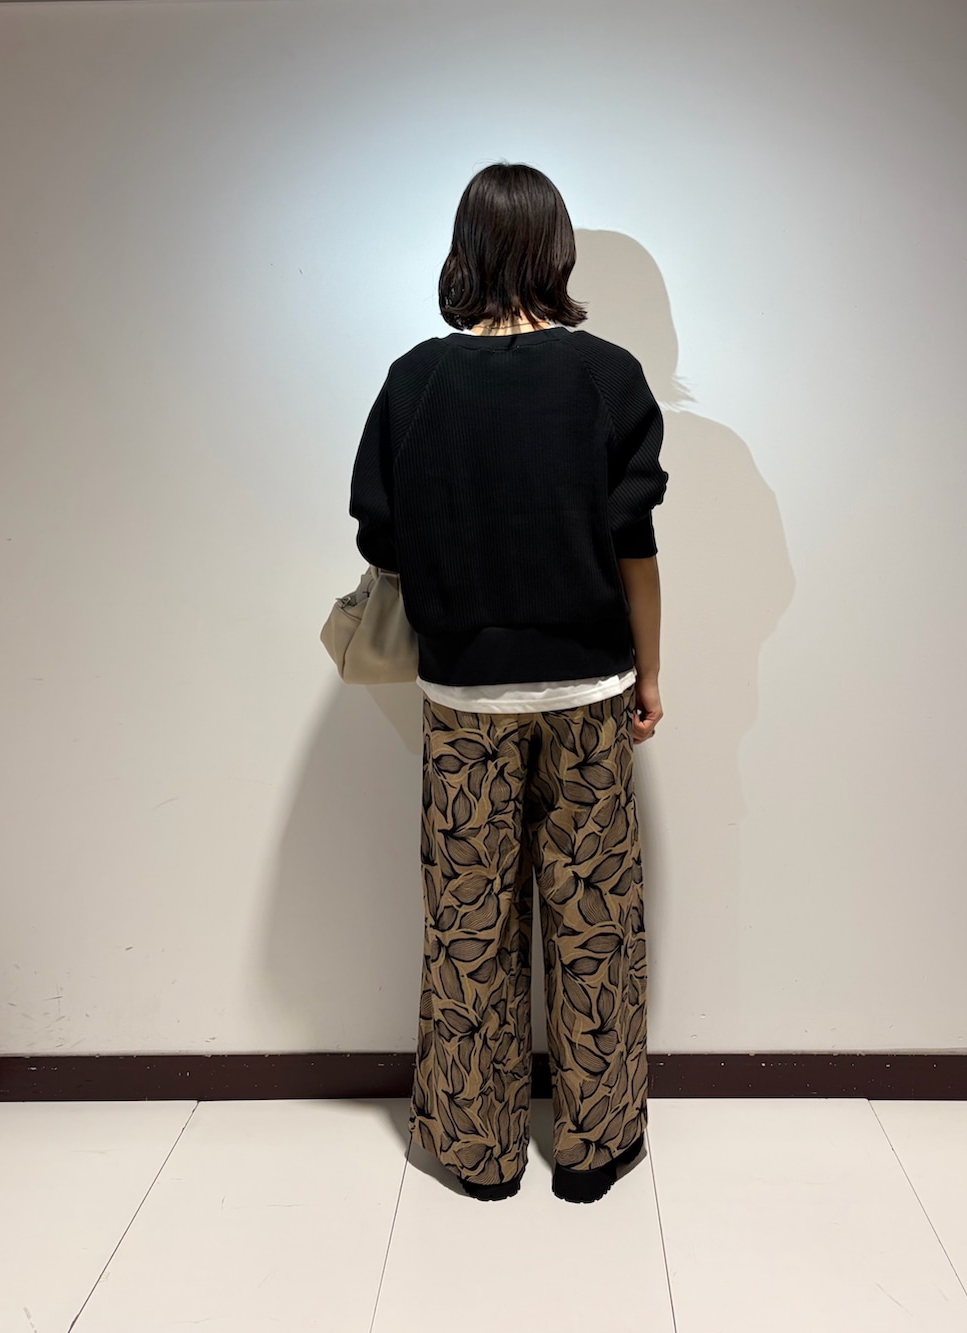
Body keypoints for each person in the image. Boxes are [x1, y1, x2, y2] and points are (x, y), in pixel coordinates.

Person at [349, 161, 667, 1204]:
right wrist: (650, 672)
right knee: (594, 924)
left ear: (467, 251)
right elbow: (633, 544)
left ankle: (476, 1155)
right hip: (587, 694)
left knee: (468, 927)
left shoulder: (414, 382)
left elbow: (382, 537)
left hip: (464, 701)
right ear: (556, 250)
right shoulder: (607, 377)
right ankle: (592, 1148)